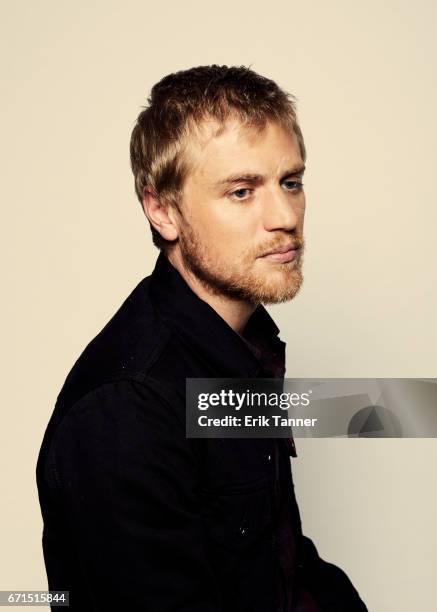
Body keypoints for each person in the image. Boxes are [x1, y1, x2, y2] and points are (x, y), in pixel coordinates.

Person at [36, 65, 368, 611]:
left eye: (291, 182)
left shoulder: (243, 348)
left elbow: (280, 559)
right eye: (241, 191)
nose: (285, 216)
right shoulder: (126, 410)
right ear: (162, 210)